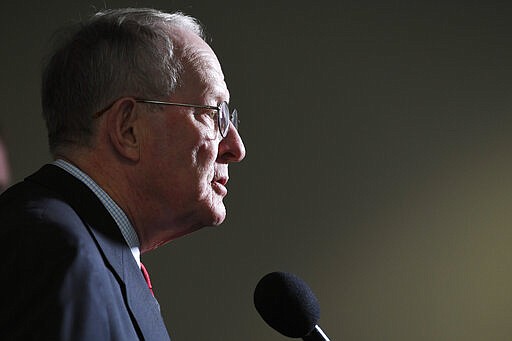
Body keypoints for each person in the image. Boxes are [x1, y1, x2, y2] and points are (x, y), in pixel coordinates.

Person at [0, 7, 245, 340]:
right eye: (214, 115)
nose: (235, 146)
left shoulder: (87, 247)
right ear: (129, 130)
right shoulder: (56, 251)